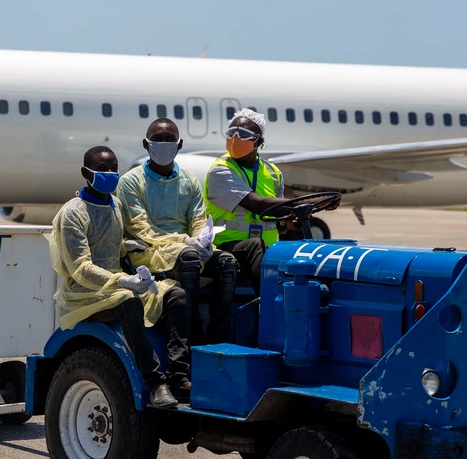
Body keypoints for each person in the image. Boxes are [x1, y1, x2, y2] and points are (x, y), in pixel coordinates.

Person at [48, 146, 192, 408]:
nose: (110, 174)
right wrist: (123, 281)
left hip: (115, 282)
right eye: (103, 170)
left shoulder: (115, 204)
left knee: (176, 295)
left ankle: (179, 375)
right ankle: (155, 383)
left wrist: (128, 246)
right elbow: (80, 267)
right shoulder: (72, 213)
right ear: (85, 173)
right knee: (128, 300)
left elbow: (108, 244)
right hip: (85, 292)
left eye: (114, 169)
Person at [117, 118, 238, 344]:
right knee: (189, 258)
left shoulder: (189, 181)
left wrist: (203, 240)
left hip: (185, 248)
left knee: (227, 263)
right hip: (150, 251)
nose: (163, 144)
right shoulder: (130, 182)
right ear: (146, 144)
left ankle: (217, 335)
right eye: (157, 139)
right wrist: (186, 241)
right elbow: (142, 229)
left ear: (179, 144)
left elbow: (198, 219)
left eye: (169, 140)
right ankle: (193, 331)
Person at [204, 109, 336, 295]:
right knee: (256, 247)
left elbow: (274, 216)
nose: (234, 139)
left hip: (266, 251)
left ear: (258, 141)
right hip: (226, 248)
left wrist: (287, 223)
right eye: (230, 133)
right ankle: (267, 308)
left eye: (242, 135)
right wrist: (314, 202)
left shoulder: (273, 173)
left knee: (304, 253)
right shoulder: (221, 170)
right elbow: (258, 204)